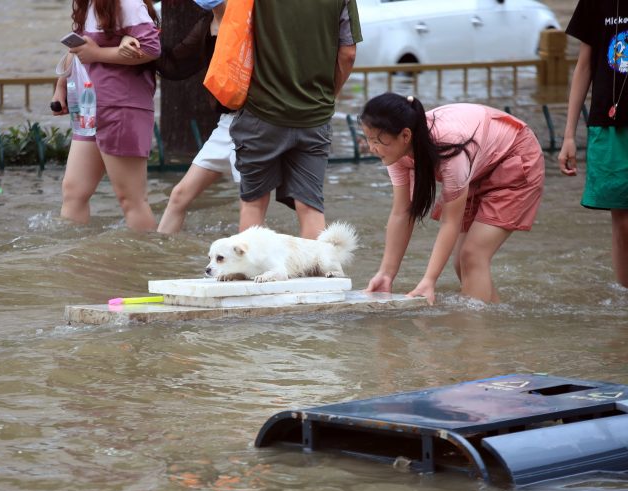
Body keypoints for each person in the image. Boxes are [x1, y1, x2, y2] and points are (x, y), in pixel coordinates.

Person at [359, 93, 545, 304]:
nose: (372, 148)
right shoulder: (395, 152)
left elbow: (451, 221)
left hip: (513, 156)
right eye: (368, 139)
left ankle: (476, 333)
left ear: (405, 135)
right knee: (462, 263)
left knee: (472, 256)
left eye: (376, 141)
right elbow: (402, 212)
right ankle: (495, 326)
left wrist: (429, 280)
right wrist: (386, 274)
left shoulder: (451, 147)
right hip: (479, 166)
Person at [229, 0, 362, 239]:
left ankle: (247, 274)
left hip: (261, 111)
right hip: (315, 115)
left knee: (253, 204)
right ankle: (314, 273)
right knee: (310, 206)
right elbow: (348, 53)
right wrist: (329, 95)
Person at [52, 0, 160, 230]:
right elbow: (78, 50)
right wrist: (61, 86)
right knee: (73, 191)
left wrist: (98, 53)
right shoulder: (87, 5)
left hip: (122, 107)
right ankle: (74, 260)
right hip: (90, 107)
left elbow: (152, 48)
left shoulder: (128, 4)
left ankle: (145, 261)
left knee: (131, 199)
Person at [154, 0, 242, 234]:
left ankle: (257, 265)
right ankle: (160, 259)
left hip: (254, 121)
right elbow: (176, 63)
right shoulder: (207, 23)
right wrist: (145, 45)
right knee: (179, 196)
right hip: (227, 123)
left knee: (251, 203)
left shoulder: (248, 20)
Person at [557, 0, 628, 288]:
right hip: (610, 125)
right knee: (622, 223)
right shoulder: (596, 2)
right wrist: (569, 136)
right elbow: (584, 66)